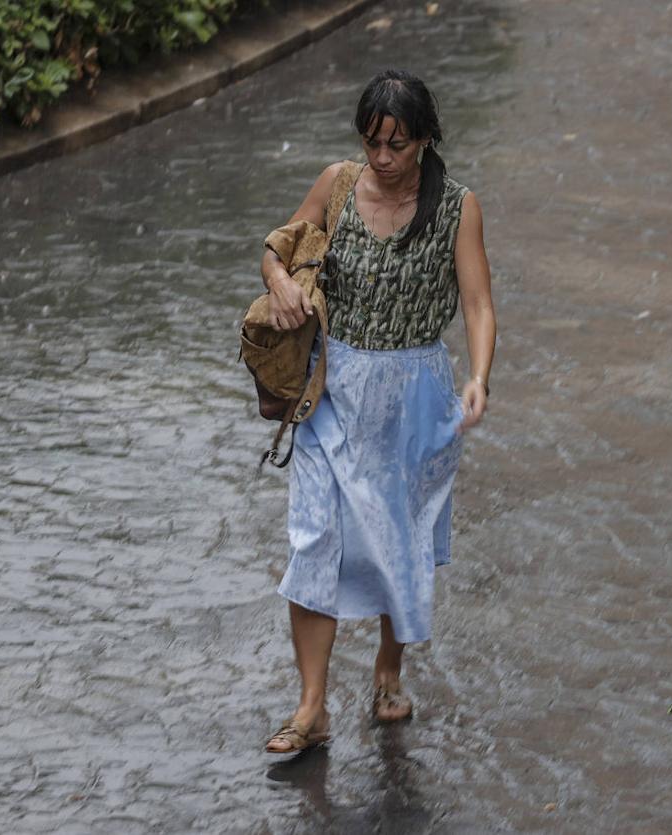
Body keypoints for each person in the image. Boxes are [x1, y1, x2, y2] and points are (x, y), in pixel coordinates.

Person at [258, 69, 496, 753]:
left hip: (416, 396)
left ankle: (388, 672)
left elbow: (478, 303)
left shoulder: (456, 206)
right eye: (372, 143)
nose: (382, 158)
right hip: (332, 388)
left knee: (401, 544)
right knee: (312, 540)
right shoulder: (336, 184)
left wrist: (478, 376)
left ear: (423, 139)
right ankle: (311, 706)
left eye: (396, 144)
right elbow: (278, 247)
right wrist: (279, 283)